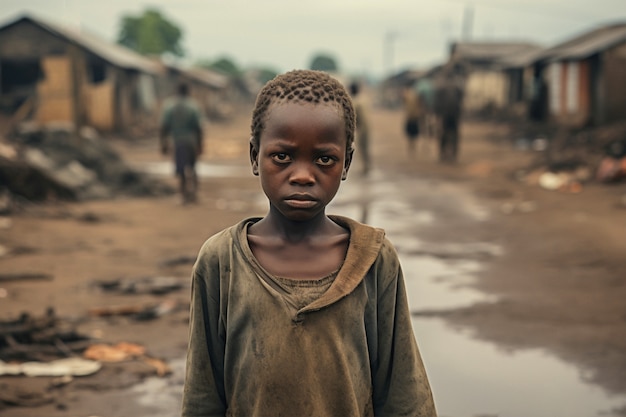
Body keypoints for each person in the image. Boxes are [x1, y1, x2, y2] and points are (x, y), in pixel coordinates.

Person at [181, 69, 437, 417]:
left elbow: (403, 394)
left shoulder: (374, 261)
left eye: (324, 159)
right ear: (254, 156)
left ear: (346, 162)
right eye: (283, 157)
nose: (302, 175)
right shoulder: (220, 261)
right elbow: (202, 395)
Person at [160, 82, 204, 204]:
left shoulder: (170, 106)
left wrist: (163, 143)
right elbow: (199, 128)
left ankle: (184, 194)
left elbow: (164, 127)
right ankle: (194, 193)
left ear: (177, 91)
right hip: (191, 141)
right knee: (193, 167)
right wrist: (200, 145)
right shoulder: (194, 106)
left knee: (181, 169)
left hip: (178, 142)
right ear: (188, 91)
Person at [433, 70, 463, 163]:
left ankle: (443, 154)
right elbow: (461, 100)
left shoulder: (441, 87)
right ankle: (453, 154)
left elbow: (437, 103)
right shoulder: (457, 86)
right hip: (454, 114)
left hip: (445, 115)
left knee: (443, 134)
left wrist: (437, 115)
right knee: (454, 134)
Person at [349, 80, 371, 175]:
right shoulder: (363, 99)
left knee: (363, 148)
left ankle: (366, 168)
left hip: (362, 127)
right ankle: (367, 167)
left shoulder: (355, 102)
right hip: (367, 126)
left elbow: (355, 117)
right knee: (365, 148)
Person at [402, 84, 422, 154]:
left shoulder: (407, 95)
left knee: (410, 133)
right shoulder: (416, 95)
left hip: (410, 117)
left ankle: (411, 146)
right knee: (413, 133)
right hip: (415, 116)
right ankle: (413, 146)